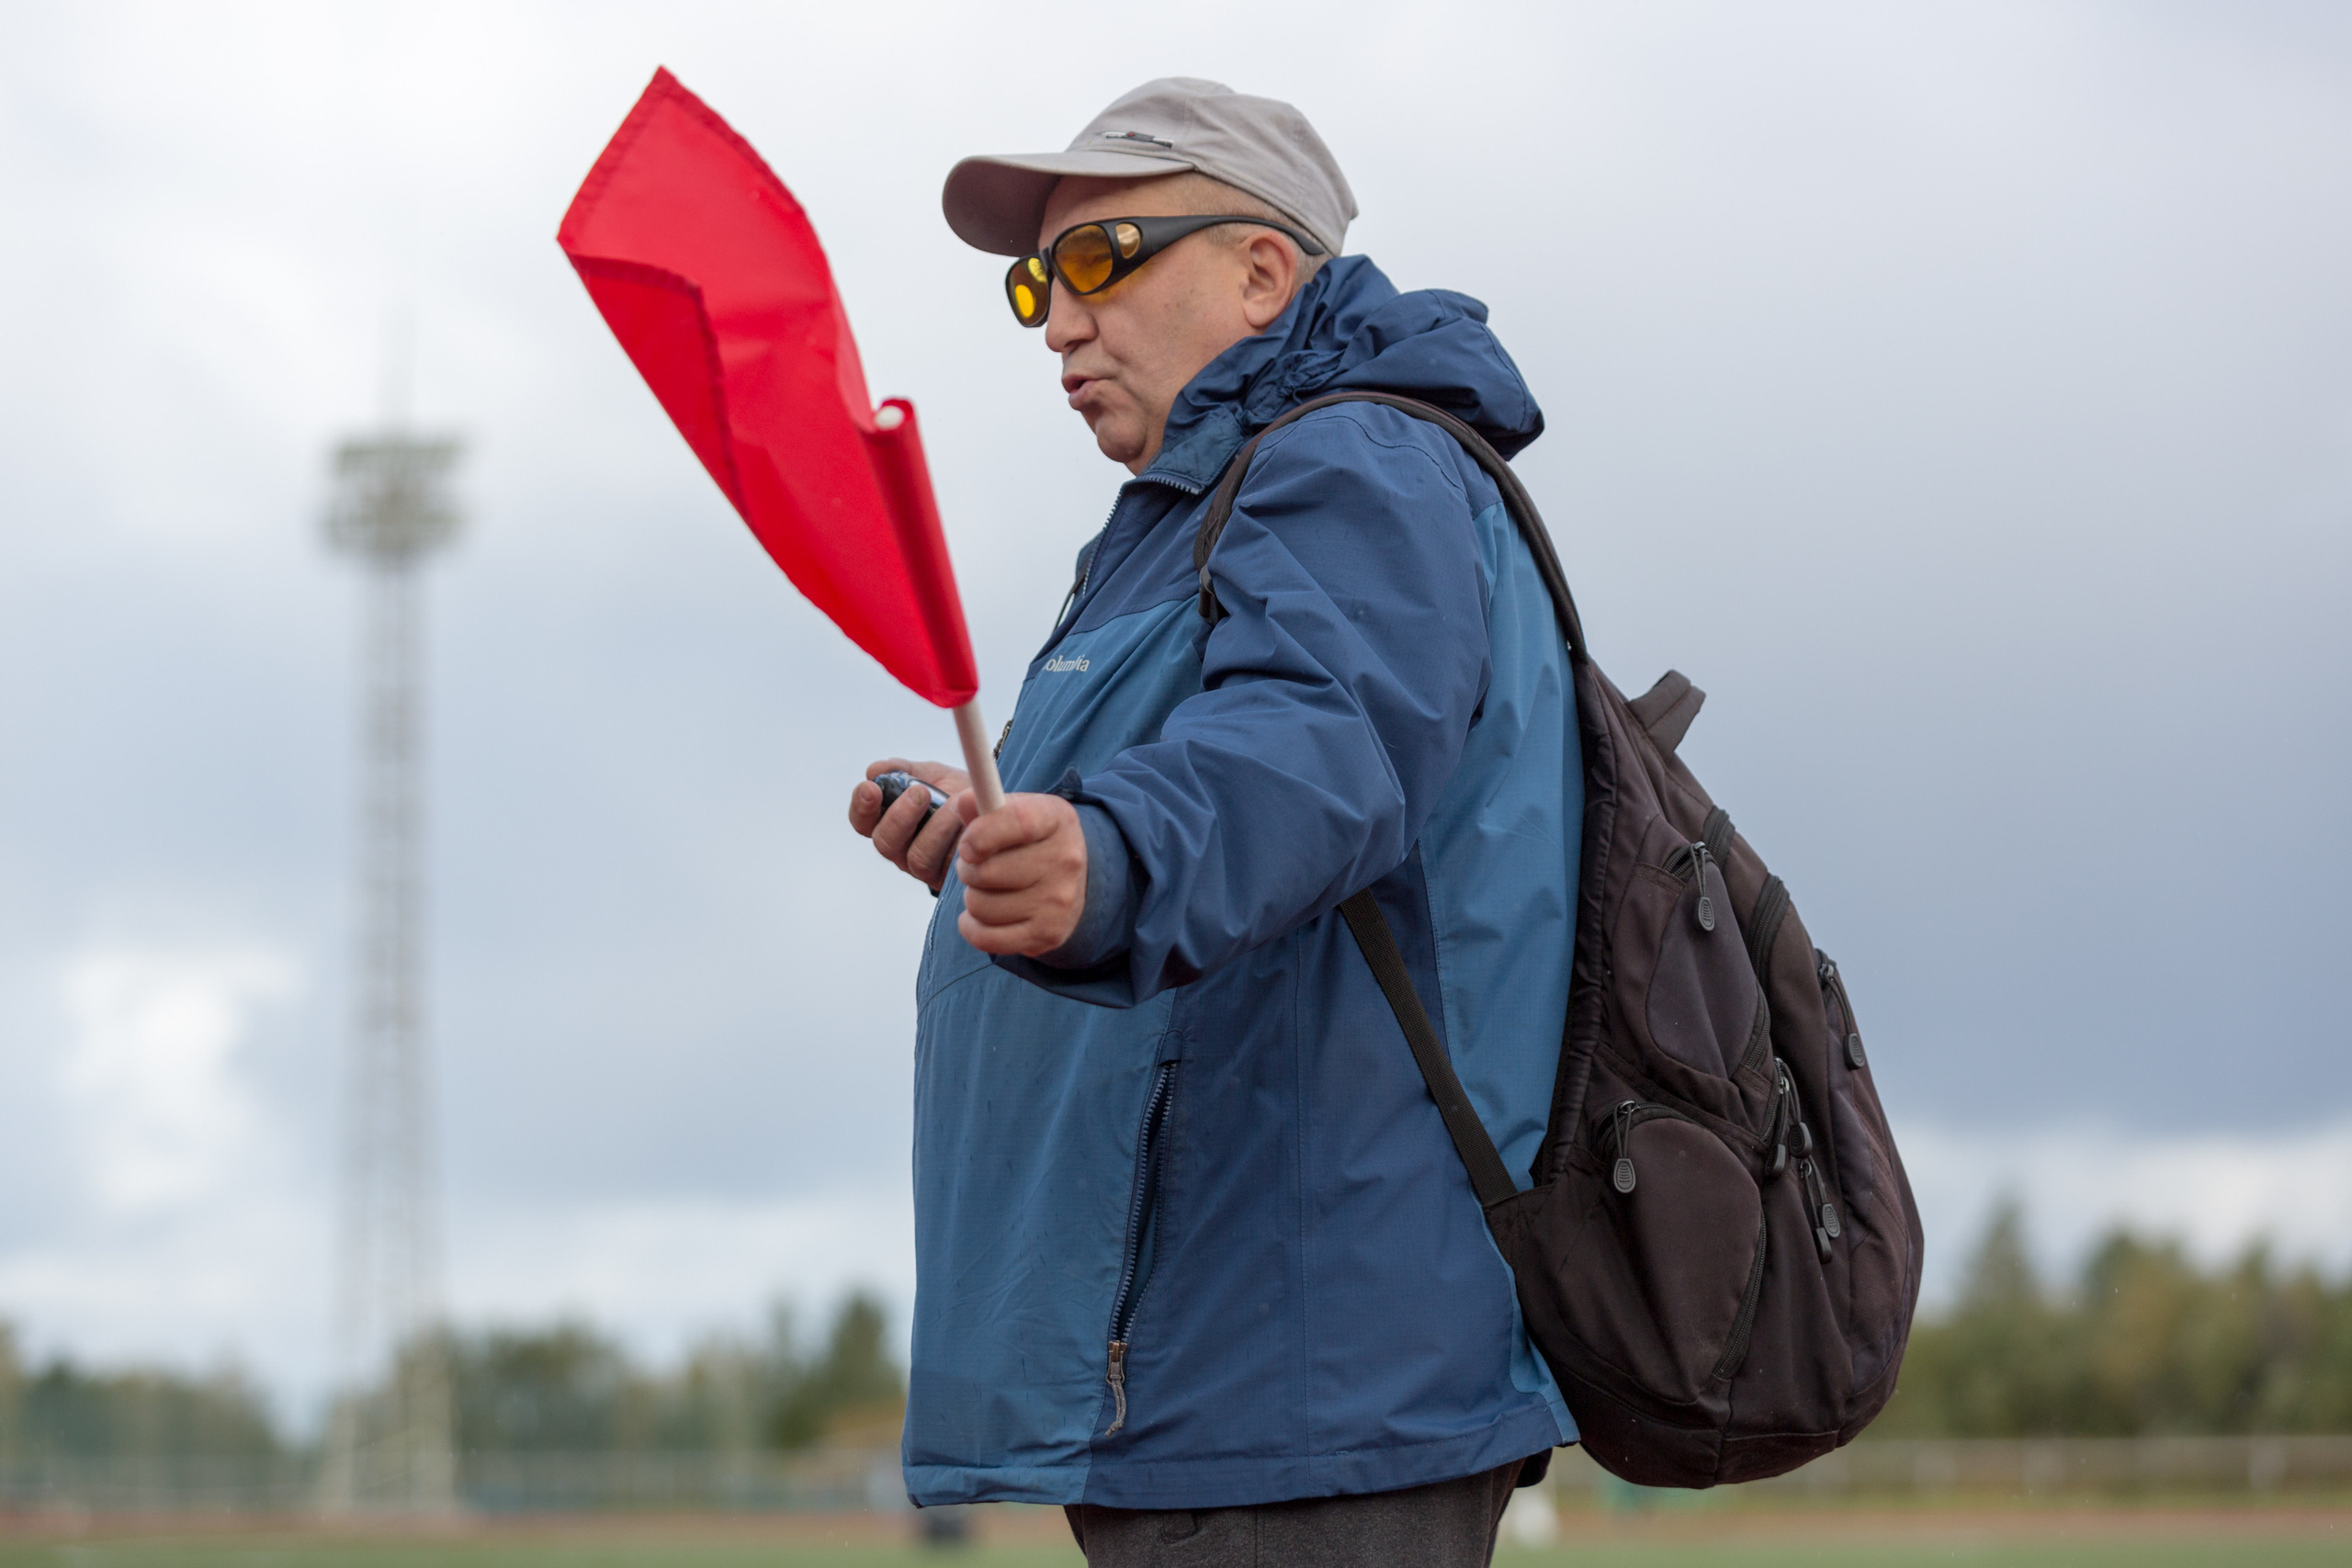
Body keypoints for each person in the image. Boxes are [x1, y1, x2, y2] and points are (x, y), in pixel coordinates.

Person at [847, 77, 1582, 1566]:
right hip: (1221, 1374)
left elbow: (1316, 748)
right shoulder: (1195, 509)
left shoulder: (1349, 459)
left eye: (1098, 260)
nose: (1057, 322)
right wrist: (1013, 845)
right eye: (1036, 283)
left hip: (1304, 1380)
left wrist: (1110, 860)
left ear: (1261, 272)